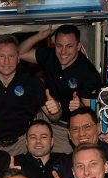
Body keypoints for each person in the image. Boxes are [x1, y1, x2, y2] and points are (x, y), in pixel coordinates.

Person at [19, 25, 103, 153]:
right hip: (44, 119)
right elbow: (20, 53)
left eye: (69, 46)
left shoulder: (88, 73)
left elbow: (89, 113)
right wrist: (39, 36)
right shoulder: (50, 55)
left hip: (66, 129)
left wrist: (79, 106)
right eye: (59, 46)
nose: (63, 52)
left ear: (78, 46)